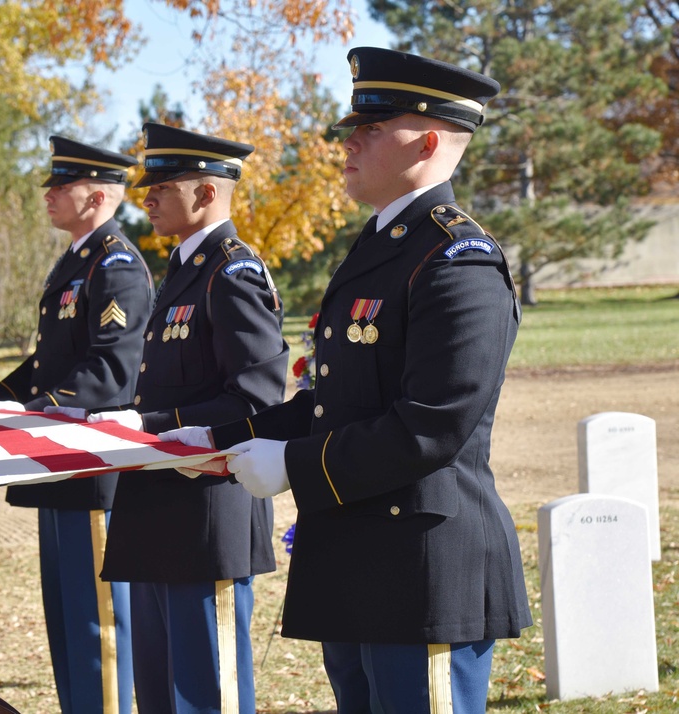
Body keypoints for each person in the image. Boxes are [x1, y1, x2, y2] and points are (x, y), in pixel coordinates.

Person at [162, 48, 533, 713]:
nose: (349, 140)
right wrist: (214, 438)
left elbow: (432, 425)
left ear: (424, 141)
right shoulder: (382, 247)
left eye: (371, 126)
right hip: (361, 556)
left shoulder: (457, 259)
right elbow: (334, 402)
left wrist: (292, 465)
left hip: (424, 568)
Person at [54, 122, 289, 714]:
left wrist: (148, 424)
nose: (147, 197)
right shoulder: (184, 270)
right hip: (159, 509)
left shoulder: (232, 272)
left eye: (162, 185)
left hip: (208, 515)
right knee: (160, 694)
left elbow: (257, 399)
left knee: (205, 693)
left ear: (207, 193)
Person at [0, 136, 152, 714]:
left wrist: (33, 409)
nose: (48, 195)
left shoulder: (116, 265)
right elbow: (49, 363)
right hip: (56, 463)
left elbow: (112, 368)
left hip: (90, 469)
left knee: (98, 632)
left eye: (60, 186)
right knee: (67, 621)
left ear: (95, 198)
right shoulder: (76, 262)